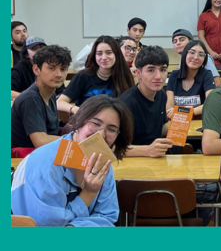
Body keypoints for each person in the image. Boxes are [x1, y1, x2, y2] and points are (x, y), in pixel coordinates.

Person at [11, 95, 134, 227]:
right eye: (95, 123)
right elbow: (48, 226)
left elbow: (107, 216)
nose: (101, 134)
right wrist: (89, 193)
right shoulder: (46, 164)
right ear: (79, 123)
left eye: (111, 129)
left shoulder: (102, 161)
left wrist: (73, 227)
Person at [11, 45, 71, 151]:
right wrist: (74, 139)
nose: (59, 74)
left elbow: (51, 131)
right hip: (21, 158)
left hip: (41, 154)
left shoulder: (50, 94)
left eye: (63, 69)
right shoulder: (30, 98)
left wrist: (77, 131)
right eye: (51, 68)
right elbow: (41, 141)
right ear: (36, 70)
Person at [57, 35, 134, 115]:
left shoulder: (124, 75)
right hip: (87, 119)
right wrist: (75, 109)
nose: (104, 57)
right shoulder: (83, 76)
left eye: (109, 53)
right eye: (99, 53)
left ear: (116, 54)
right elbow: (59, 102)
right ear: (94, 56)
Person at [120, 46, 174, 157]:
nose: (158, 76)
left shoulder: (160, 94)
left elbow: (159, 127)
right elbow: (112, 148)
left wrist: (178, 126)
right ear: (138, 73)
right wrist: (147, 150)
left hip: (156, 157)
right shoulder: (126, 103)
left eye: (163, 70)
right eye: (150, 70)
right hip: (133, 161)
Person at [167, 40, 215, 118]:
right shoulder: (174, 75)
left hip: (199, 122)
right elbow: (169, 107)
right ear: (185, 54)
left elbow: (211, 103)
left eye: (201, 55)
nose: (196, 57)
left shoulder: (207, 75)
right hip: (178, 121)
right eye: (192, 52)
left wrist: (185, 111)